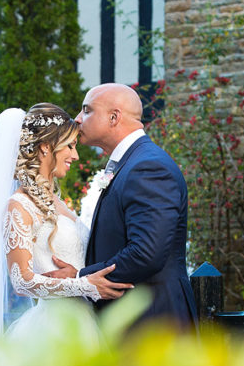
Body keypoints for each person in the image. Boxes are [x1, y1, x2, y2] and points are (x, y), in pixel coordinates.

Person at [0, 103, 131, 366]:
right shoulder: (19, 206)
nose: (75, 155)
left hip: (85, 323)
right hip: (53, 331)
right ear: (46, 146)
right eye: (69, 146)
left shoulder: (57, 202)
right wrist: (85, 285)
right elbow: (21, 280)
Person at [46, 83, 197, 329]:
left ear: (114, 117)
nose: (77, 119)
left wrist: (79, 278)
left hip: (152, 324)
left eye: (87, 110)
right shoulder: (130, 163)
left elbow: (146, 253)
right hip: (131, 321)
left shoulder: (148, 167)